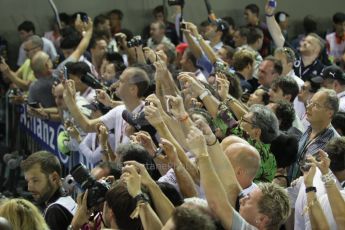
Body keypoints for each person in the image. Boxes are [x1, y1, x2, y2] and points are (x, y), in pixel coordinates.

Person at [289, 88, 340, 181]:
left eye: (316, 105)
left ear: (329, 113)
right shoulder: (309, 129)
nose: (308, 107)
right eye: (310, 102)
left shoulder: (334, 143)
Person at [21, 151, 77, 230]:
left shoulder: (54, 211)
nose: (29, 188)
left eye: (35, 180)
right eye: (28, 181)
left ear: (54, 178)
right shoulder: (66, 200)